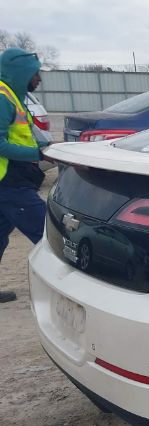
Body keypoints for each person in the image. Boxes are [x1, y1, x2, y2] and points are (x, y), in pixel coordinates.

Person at [0, 47, 50, 303]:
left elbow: (17, 136)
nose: (39, 78)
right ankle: (69, 292)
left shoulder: (13, 96)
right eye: (35, 73)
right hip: (8, 183)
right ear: (21, 73)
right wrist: (39, 154)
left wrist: (42, 148)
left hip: (10, 180)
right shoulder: (2, 98)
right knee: (49, 236)